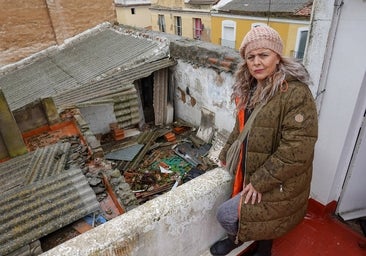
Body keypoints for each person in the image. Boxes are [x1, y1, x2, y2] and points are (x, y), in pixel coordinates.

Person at [209, 25, 318, 256]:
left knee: (227, 215)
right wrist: (225, 153)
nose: (256, 62)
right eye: (251, 57)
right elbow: (240, 129)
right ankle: (239, 238)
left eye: (263, 55)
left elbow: (297, 150)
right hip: (252, 170)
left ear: (277, 57)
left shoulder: (296, 94)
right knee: (251, 212)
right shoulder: (249, 89)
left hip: (278, 179)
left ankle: (263, 245)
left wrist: (260, 182)